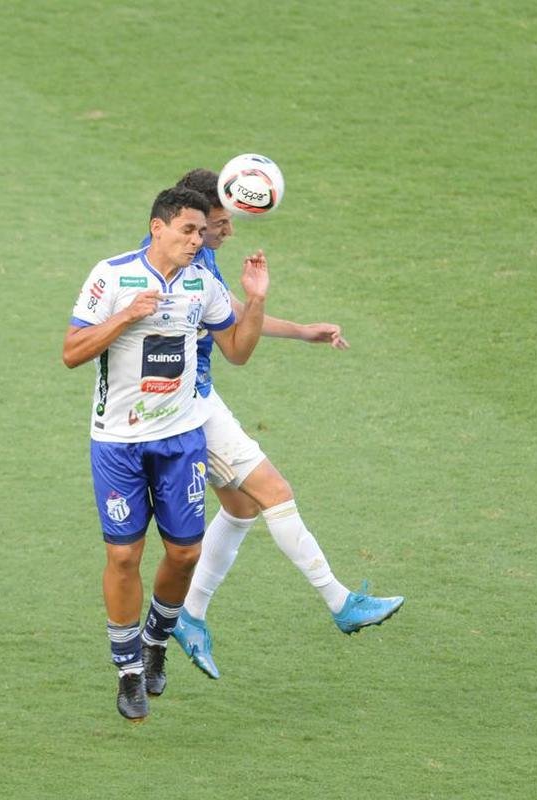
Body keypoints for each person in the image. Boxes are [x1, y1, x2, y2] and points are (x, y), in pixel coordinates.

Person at [156, 169, 404, 682]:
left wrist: (303, 332)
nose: (229, 231)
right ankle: (340, 603)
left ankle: (190, 616)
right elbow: (235, 340)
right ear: (194, 223)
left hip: (194, 396)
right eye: (222, 223)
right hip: (181, 406)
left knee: (241, 505)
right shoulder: (186, 263)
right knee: (273, 492)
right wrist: (266, 304)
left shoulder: (187, 253)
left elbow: (227, 316)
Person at [62, 186, 270, 721]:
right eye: (188, 231)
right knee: (124, 555)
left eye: (202, 233)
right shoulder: (111, 275)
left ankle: (158, 636)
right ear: (158, 228)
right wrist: (127, 316)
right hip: (117, 442)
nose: (198, 241)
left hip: (181, 440)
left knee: (184, 554)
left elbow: (238, 352)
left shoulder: (203, 283)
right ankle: (129, 668)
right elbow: (71, 352)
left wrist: (256, 300)